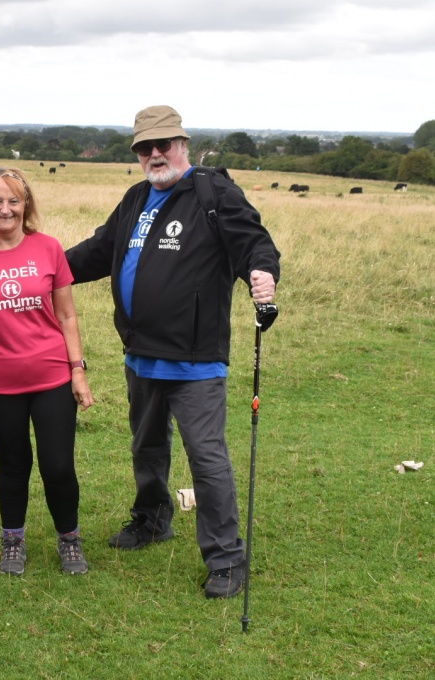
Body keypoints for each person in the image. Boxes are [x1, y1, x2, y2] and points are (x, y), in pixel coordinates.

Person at [64, 105, 280, 599]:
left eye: (164, 144)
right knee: (147, 447)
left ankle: (227, 558)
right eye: (145, 146)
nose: (155, 153)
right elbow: (99, 251)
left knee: (206, 457)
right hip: (140, 354)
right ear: (138, 153)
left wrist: (262, 273)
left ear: (183, 144)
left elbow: (253, 243)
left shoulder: (213, 192)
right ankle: (153, 518)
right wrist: (41, 267)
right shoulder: (137, 197)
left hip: (196, 360)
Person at [0, 167, 94, 576]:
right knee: (13, 463)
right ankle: (12, 539)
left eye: (14, 200)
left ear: (26, 205)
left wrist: (78, 371)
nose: (5, 209)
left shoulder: (49, 248)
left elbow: (67, 315)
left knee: (57, 465)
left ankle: (69, 538)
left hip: (52, 377)